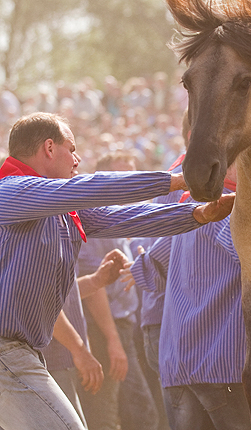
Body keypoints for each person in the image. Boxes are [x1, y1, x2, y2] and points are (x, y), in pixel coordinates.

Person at [0, 112, 233, 430]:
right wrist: (177, 180)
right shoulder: (10, 190)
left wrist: (198, 213)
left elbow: (128, 217)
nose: (78, 158)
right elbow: (90, 189)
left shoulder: (63, 205)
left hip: (20, 352)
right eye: (72, 148)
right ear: (50, 148)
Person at [126, 165, 251, 430]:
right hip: (220, 360)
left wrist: (132, 266)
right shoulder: (230, 209)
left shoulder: (191, 208)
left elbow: (151, 268)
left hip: (177, 360)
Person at [76, 152, 162, 430]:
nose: (130, 183)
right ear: (104, 180)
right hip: (106, 330)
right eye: (122, 176)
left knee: (128, 410)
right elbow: (93, 285)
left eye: (133, 175)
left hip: (125, 328)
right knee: (125, 412)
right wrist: (113, 340)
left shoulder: (119, 222)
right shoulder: (95, 221)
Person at [41, 252, 131, 429]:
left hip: (60, 358)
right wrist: (80, 351)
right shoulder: (39, 229)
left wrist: (95, 281)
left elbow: (60, 295)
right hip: (48, 359)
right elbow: (42, 300)